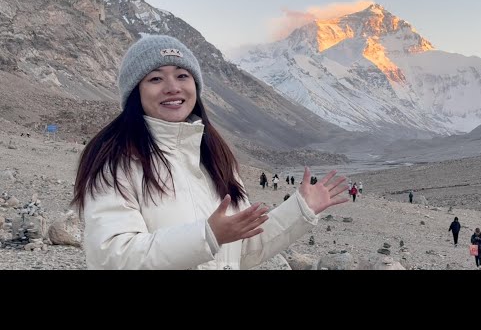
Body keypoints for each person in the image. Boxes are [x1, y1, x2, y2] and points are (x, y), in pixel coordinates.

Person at [71, 35, 349, 270]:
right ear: (135, 92)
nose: (173, 87)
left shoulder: (214, 158)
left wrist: (300, 210)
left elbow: (243, 249)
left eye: (182, 75)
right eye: (155, 78)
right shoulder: (116, 162)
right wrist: (207, 236)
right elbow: (112, 255)